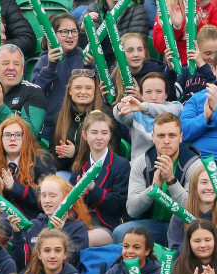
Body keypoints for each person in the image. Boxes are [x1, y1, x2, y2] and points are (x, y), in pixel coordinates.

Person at [113, 113, 202, 245]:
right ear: (153, 138)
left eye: (172, 135)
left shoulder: (194, 165)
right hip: (155, 225)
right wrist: (153, 189)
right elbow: (132, 209)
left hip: (187, 226)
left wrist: (171, 181)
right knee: (120, 233)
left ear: (180, 138)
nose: (166, 141)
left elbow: (193, 210)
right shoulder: (142, 163)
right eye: (161, 136)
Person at [69, 111, 130, 247]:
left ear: (110, 135)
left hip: (106, 224)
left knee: (75, 241)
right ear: (85, 135)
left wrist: (92, 188)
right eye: (94, 132)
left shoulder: (121, 165)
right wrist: (79, 195)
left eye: (104, 133)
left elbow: (118, 205)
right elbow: (69, 201)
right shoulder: (80, 164)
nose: (99, 137)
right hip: (80, 221)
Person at [9, 175, 90, 270]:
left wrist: (59, 233)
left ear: (65, 198)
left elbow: (72, 263)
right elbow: (19, 264)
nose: (47, 201)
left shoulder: (78, 228)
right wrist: (17, 234)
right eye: (43, 195)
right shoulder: (34, 224)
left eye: (53, 196)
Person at [0, 117, 55, 219]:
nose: (12, 138)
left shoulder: (42, 160)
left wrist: (14, 187)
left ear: (26, 138)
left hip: (33, 220)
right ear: (0, 139)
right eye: (7, 135)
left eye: (18, 135)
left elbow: (46, 197)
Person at [167, 167, 217, 262]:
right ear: (194, 186)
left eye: (214, 183)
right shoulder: (180, 216)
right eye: (204, 182)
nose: (210, 187)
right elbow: (174, 258)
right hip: (189, 272)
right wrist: (193, 242)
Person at [32, 14, 85, 141]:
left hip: (79, 124)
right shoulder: (45, 60)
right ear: (53, 35)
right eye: (64, 32)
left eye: (74, 31)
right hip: (49, 127)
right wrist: (51, 66)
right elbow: (35, 90)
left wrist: (89, 66)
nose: (70, 35)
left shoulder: (85, 58)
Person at [52, 70, 112, 175]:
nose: (83, 92)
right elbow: (53, 152)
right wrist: (63, 153)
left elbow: (110, 153)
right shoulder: (59, 116)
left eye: (88, 88)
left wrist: (75, 153)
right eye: (78, 88)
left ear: (95, 91)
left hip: (98, 174)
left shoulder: (106, 115)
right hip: (67, 172)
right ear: (70, 91)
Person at [114, 72, 183, 160]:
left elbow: (172, 113)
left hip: (172, 165)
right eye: (148, 92)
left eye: (159, 91)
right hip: (140, 168)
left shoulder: (176, 106)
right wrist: (121, 106)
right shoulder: (135, 113)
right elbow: (119, 115)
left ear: (166, 94)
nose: (153, 97)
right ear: (141, 95)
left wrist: (143, 107)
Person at [152, 0, 217, 65]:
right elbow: (159, 47)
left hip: (205, 68)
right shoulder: (168, 4)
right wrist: (176, 28)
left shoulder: (216, 5)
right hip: (175, 68)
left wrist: (194, 29)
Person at [78, 0, 149, 67]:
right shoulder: (92, 9)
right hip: (96, 67)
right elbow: (81, 47)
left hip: (122, 70)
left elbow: (133, 51)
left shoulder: (137, 10)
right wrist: (83, 31)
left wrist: (109, 75)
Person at [163, 25, 217, 105]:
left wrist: (202, 65)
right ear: (197, 51)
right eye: (207, 53)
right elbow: (170, 97)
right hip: (186, 112)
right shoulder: (187, 71)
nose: (212, 57)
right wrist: (170, 71)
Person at [110, 33, 166, 102]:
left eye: (140, 50)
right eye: (130, 51)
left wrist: (141, 98)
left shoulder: (157, 72)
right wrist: (107, 99)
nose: (136, 54)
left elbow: (165, 102)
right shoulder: (114, 76)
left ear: (145, 52)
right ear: (120, 54)